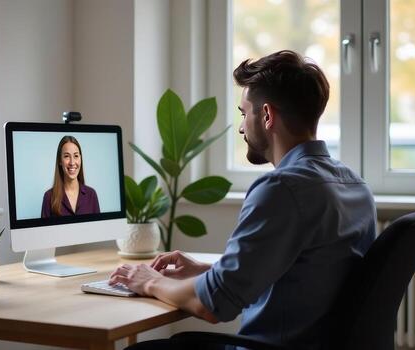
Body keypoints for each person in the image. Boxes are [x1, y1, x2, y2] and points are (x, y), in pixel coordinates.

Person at [110, 50, 377, 349]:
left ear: (266, 115)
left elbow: (213, 306)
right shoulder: (356, 185)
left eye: (242, 113)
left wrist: (147, 280)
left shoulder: (281, 188)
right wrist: (206, 271)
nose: (240, 127)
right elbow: (305, 275)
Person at [41, 136, 100, 218]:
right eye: (66, 156)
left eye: (76, 156)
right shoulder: (49, 197)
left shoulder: (91, 195)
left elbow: (98, 229)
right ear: (60, 161)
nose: (72, 162)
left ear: (80, 159)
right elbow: (45, 231)